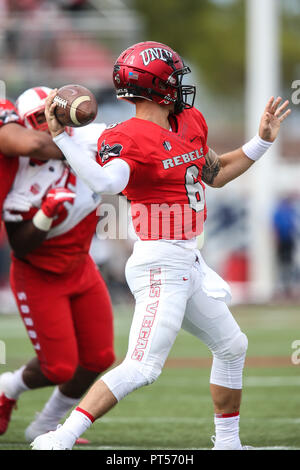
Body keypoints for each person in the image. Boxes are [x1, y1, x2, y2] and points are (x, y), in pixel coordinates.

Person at [31, 41, 290, 451]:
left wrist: (261, 142)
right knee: (142, 367)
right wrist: (62, 139)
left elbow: (216, 173)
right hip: (160, 263)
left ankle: (228, 444)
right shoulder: (126, 136)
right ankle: (59, 438)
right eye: (175, 77)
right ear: (158, 85)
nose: (181, 85)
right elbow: (107, 183)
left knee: (232, 345)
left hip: (189, 259)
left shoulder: (188, 121)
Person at [0, 87, 115, 443]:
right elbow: (20, 245)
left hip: (81, 266)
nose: (52, 125)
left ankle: (46, 423)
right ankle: (6, 387)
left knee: (100, 357)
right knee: (59, 366)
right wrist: (47, 215)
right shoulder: (23, 178)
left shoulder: (87, 140)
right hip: (40, 273)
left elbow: (125, 142)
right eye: (39, 120)